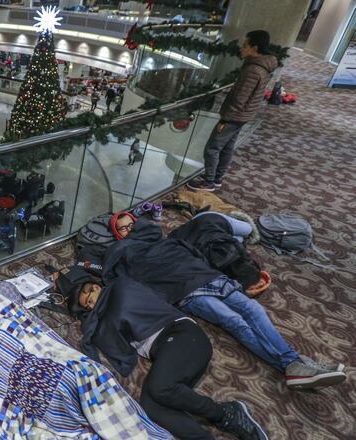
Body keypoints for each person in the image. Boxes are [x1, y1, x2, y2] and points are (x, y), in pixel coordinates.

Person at [103, 219, 347, 389]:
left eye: (131, 222)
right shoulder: (127, 253)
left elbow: (190, 252)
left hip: (207, 276)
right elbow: (125, 279)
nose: (130, 228)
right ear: (118, 235)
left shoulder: (166, 239)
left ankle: (293, 364)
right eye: (123, 227)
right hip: (185, 291)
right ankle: (297, 364)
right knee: (234, 321)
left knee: (253, 308)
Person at [60, 266, 269, 440]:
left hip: (183, 336)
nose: (91, 305)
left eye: (89, 297)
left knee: (160, 388)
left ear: (96, 286)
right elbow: (104, 332)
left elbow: (114, 316)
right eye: (86, 306)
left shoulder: (119, 288)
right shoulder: (102, 314)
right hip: (167, 352)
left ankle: (226, 413)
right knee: (151, 406)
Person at [0, 280, 173, 439]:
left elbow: (46, 342)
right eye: (89, 304)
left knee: (88, 375)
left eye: (90, 301)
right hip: (48, 377)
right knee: (84, 380)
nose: (91, 307)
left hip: (69, 371)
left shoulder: (118, 292)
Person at [188, 30, 278, 192]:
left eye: (245, 46)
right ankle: (217, 178)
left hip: (235, 115)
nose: (241, 49)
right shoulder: (263, 66)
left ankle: (208, 181)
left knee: (212, 148)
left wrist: (225, 120)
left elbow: (240, 98)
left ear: (255, 48)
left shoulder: (253, 70)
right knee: (228, 146)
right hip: (244, 114)